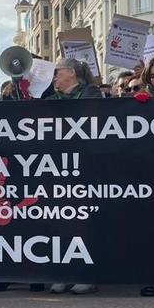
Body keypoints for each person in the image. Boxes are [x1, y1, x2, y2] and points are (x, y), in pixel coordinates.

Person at [46, 58, 101, 295]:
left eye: (57, 72)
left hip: (85, 169)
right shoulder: (50, 100)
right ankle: (63, 272)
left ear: (72, 72)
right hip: (57, 170)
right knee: (60, 222)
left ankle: (86, 274)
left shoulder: (92, 94)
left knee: (84, 223)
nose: (54, 77)